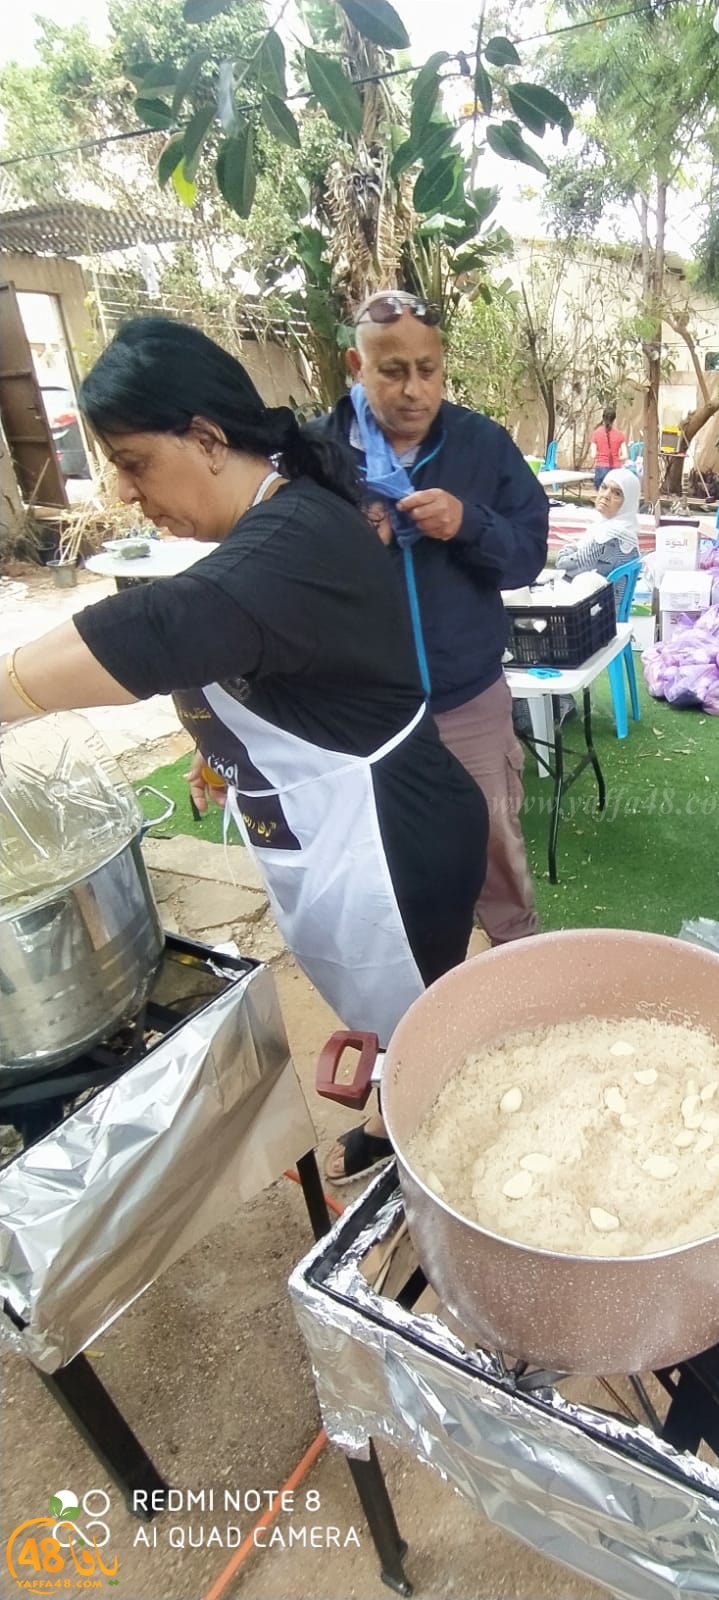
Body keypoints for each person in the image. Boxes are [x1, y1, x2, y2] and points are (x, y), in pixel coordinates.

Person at [0, 317, 489, 1184]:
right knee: (384, 1016)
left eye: (136, 462)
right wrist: (218, 748)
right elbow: (263, 661)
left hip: (389, 844)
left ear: (207, 437)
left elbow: (161, 627)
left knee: (423, 1029)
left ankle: (437, 1171)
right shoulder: (270, 525)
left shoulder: (294, 537)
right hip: (328, 834)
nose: (127, 491)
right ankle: (397, 1113)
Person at [308, 288, 548, 973]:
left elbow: (529, 554)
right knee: (387, 847)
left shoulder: (481, 444)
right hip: (366, 707)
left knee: (495, 840)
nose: (414, 389)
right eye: (392, 371)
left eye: (428, 369)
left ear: (443, 367)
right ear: (357, 365)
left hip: (468, 696)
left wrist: (468, 523)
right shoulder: (318, 454)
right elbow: (289, 571)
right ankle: (416, 979)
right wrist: (356, 541)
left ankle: (520, 959)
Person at [556, 467, 641, 577]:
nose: (605, 496)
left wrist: (570, 548)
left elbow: (563, 565)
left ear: (628, 503)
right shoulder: (628, 531)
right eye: (604, 487)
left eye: (617, 494)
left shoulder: (609, 538)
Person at [589, 405, 627, 489]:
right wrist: (617, 457)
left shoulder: (596, 433)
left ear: (603, 418)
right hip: (616, 470)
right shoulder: (620, 434)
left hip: (601, 469)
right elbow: (625, 455)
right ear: (614, 419)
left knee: (601, 495)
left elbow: (593, 455)